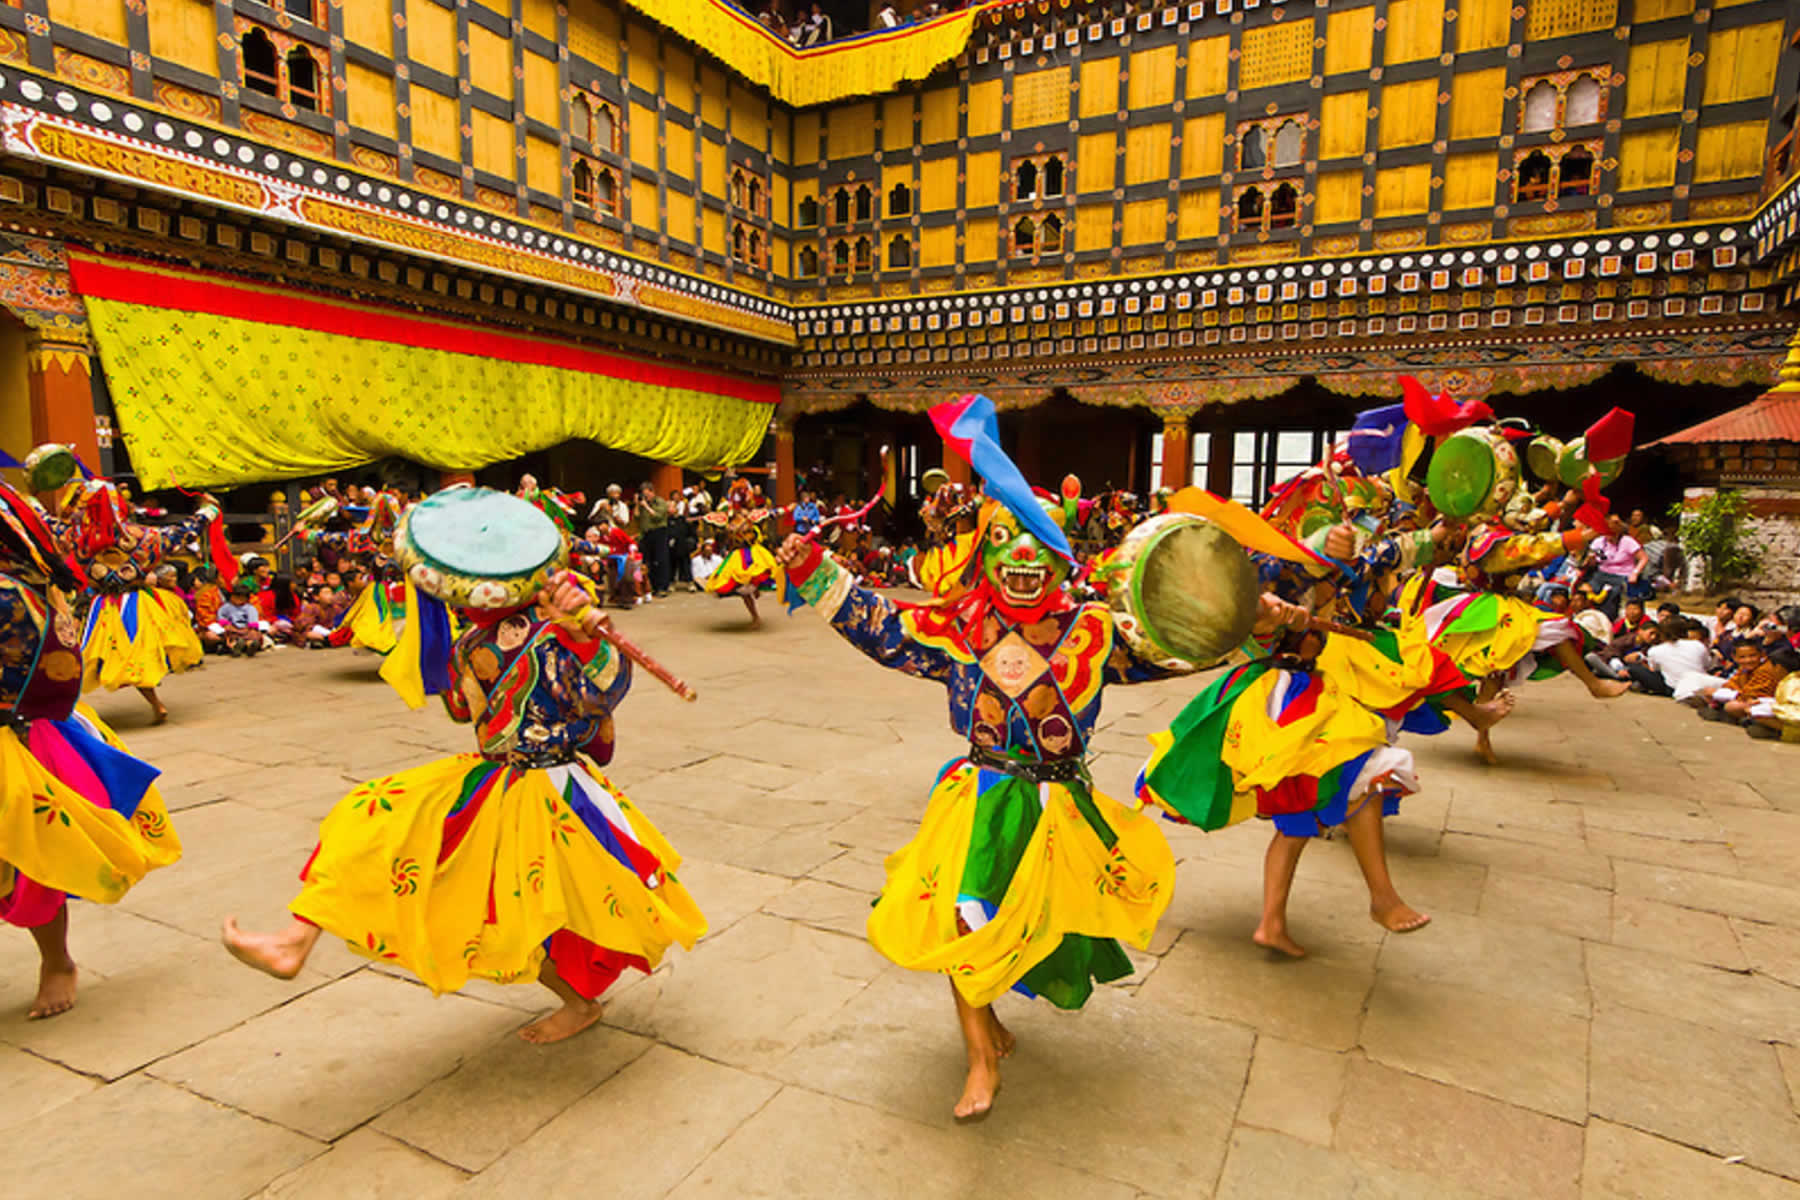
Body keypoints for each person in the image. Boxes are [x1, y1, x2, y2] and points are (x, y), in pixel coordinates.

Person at [777, 400, 1183, 1120]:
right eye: (1005, 541)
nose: (1021, 560)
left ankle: (991, 1021)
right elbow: (882, 626)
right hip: (984, 795)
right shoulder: (958, 626)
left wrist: (1248, 623)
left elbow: (1171, 646)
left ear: (1057, 555)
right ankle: (978, 1055)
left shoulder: (1094, 630)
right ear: (985, 551)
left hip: (1063, 802)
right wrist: (814, 571)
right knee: (968, 916)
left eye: (1035, 543)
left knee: (1043, 921)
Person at [224, 488, 705, 1045]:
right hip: (493, 780)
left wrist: (579, 636)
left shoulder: (547, 632)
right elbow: (477, 710)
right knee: (373, 818)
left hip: (552, 789)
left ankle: (579, 1002)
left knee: (529, 915)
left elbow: (598, 694)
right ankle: (295, 939)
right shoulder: (483, 640)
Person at [0, 477, 183, 1019]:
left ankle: (56, 961)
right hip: (46, 709)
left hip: (20, 735)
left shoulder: (15, 592)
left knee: (33, 859)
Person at [32, 458, 220, 725]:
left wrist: (31, 499)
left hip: (101, 608)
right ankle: (155, 703)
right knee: (137, 657)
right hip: (140, 604)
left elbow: (45, 523)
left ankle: (65, 709)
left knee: (84, 658)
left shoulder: (77, 537)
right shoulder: (143, 536)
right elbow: (184, 532)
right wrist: (209, 510)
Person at [1689, 638, 1788, 724]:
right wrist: (1736, 691)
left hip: (1761, 702)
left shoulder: (1765, 670)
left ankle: (1736, 716)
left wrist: (1737, 693)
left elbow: (1753, 695)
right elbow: (1731, 684)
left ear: (1762, 655)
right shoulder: (1744, 668)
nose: (1748, 660)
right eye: (1742, 657)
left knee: (1732, 706)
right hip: (1743, 696)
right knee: (1708, 691)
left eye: (1753, 656)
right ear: (1735, 658)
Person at [1628, 618, 1717, 700]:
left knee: (1634, 668)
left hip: (1672, 688)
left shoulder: (1655, 650)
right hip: (1701, 683)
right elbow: (1707, 665)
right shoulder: (1697, 644)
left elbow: (1654, 669)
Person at [1586, 515, 1647, 619]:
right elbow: (1597, 560)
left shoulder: (1627, 541)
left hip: (1622, 575)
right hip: (1602, 573)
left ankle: (1608, 618)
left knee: (1612, 594)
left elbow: (1644, 558)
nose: (1609, 536)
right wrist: (1590, 560)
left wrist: (1635, 573)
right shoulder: (1599, 542)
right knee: (1591, 589)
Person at [634, 481, 673, 597]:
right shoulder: (641, 504)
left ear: (652, 492)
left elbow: (658, 517)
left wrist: (647, 506)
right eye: (644, 495)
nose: (646, 497)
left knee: (661, 560)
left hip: (659, 532)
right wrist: (637, 504)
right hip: (646, 534)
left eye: (647, 494)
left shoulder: (660, 502)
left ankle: (662, 587)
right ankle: (652, 586)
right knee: (647, 561)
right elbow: (636, 517)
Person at [214, 581, 265, 656]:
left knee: (253, 635)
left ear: (246, 599)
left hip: (246, 629)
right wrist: (226, 625)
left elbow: (253, 619)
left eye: (241, 599)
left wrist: (252, 628)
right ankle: (236, 647)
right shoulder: (226, 607)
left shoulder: (250, 608)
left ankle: (250, 646)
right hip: (233, 629)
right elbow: (221, 616)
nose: (237, 600)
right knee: (230, 637)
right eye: (235, 597)